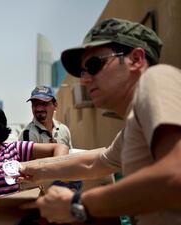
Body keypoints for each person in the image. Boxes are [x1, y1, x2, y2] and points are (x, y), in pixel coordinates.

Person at [20, 18, 181, 225]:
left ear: (136, 59)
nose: (84, 79)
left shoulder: (156, 78)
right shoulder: (134, 125)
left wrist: (78, 204)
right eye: (82, 71)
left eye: (94, 65)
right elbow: (95, 162)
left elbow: (175, 173)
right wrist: (30, 169)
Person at [20, 85, 81, 191]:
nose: (39, 108)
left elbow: (70, 159)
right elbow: (29, 171)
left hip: (63, 186)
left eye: (44, 104)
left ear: (55, 105)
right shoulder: (28, 134)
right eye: (35, 104)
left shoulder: (63, 130)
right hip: (40, 190)